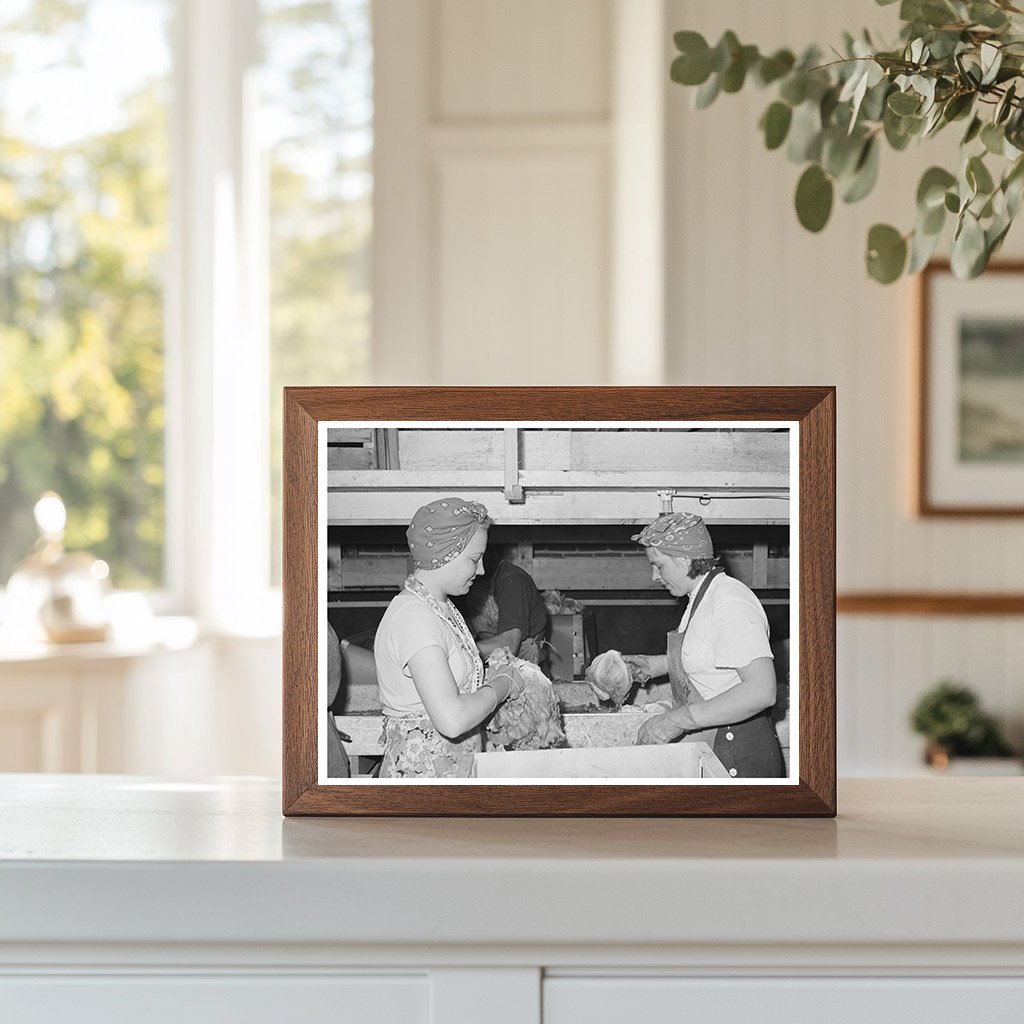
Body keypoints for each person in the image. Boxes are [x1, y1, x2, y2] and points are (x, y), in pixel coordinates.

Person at [624, 512, 783, 779]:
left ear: (684, 560)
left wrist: (675, 720)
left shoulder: (729, 601)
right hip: (718, 745)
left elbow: (761, 691)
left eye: (659, 565)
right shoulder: (701, 599)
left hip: (738, 755)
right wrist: (654, 665)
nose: (654, 576)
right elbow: (710, 655)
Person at [373, 497, 524, 778]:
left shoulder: (441, 608)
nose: (481, 571)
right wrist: (502, 685)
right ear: (446, 554)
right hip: (423, 780)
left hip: (448, 772)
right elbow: (452, 720)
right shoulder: (415, 617)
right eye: (474, 559)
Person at [457, 546, 550, 665]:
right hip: (492, 664)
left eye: (478, 558)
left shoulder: (512, 579)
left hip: (526, 667)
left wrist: (463, 651)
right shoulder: (468, 582)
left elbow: (509, 644)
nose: (480, 569)